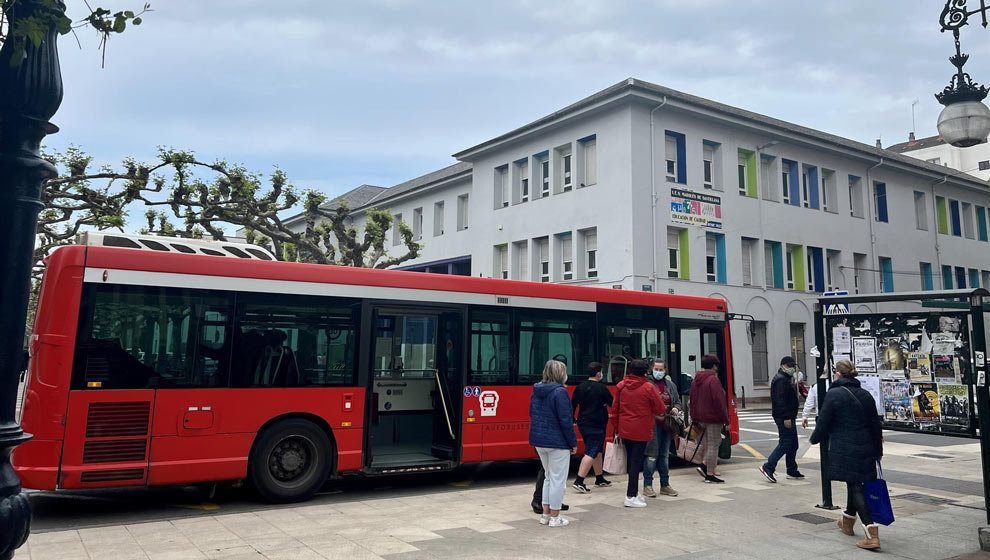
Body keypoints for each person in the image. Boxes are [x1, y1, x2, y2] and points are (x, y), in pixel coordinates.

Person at [809, 360, 884, 551]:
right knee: (855, 482)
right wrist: (878, 451)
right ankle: (848, 522)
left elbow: (824, 421)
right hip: (866, 446)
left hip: (846, 447)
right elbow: (875, 425)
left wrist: (814, 438)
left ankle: (871, 532)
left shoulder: (834, 394)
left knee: (855, 485)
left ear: (838, 374)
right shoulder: (865, 395)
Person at [609, 358, 665, 507]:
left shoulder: (621, 386)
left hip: (625, 429)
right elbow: (660, 409)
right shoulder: (649, 387)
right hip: (641, 430)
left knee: (631, 461)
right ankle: (630, 495)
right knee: (636, 462)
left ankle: (633, 491)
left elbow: (615, 410)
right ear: (645, 372)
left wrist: (617, 428)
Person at [528, 359, 578, 527]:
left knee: (549, 478)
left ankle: (546, 515)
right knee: (558, 480)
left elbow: (531, 413)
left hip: (539, 441)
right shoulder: (560, 392)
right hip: (557, 442)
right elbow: (566, 420)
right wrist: (573, 442)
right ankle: (556, 517)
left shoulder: (536, 390)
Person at [759, 356, 805, 483]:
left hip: (789, 415)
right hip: (784, 416)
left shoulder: (786, 378)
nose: (792, 369)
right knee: (786, 443)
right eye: (789, 366)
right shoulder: (781, 380)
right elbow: (780, 400)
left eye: (793, 367)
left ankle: (791, 469)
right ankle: (768, 466)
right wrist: (786, 417)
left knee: (793, 444)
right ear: (782, 366)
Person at [571, 362, 613, 493]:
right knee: (592, 451)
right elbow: (613, 403)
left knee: (598, 450)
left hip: (583, 422)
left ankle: (599, 478)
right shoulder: (602, 388)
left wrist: (573, 418)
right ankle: (579, 480)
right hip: (597, 424)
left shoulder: (580, 387)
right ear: (598, 373)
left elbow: (573, 404)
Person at [643, 359, 681, 497]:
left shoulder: (670, 385)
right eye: (656, 369)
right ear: (651, 370)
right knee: (651, 455)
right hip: (652, 425)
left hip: (667, 425)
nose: (658, 372)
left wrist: (676, 408)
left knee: (664, 455)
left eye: (661, 369)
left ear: (665, 371)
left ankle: (665, 485)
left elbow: (677, 401)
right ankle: (647, 485)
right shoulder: (647, 384)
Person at [689, 354, 728, 484]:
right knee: (714, 444)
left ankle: (705, 465)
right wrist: (726, 420)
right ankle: (709, 473)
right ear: (714, 365)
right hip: (713, 418)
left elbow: (692, 399)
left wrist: (693, 417)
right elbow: (719, 401)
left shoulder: (696, 379)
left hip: (700, 418)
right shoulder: (713, 380)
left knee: (707, 444)